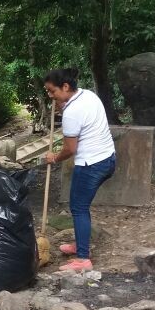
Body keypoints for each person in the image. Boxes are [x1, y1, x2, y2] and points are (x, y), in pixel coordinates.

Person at [43, 68, 116, 273]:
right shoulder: (89, 95)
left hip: (91, 165)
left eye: (52, 91)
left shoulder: (72, 113)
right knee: (81, 207)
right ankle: (81, 243)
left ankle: (83, 258)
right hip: (108, 159)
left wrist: (54, 158)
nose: (50, 96)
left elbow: (70, 149)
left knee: (78, 208)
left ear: (65, 87)